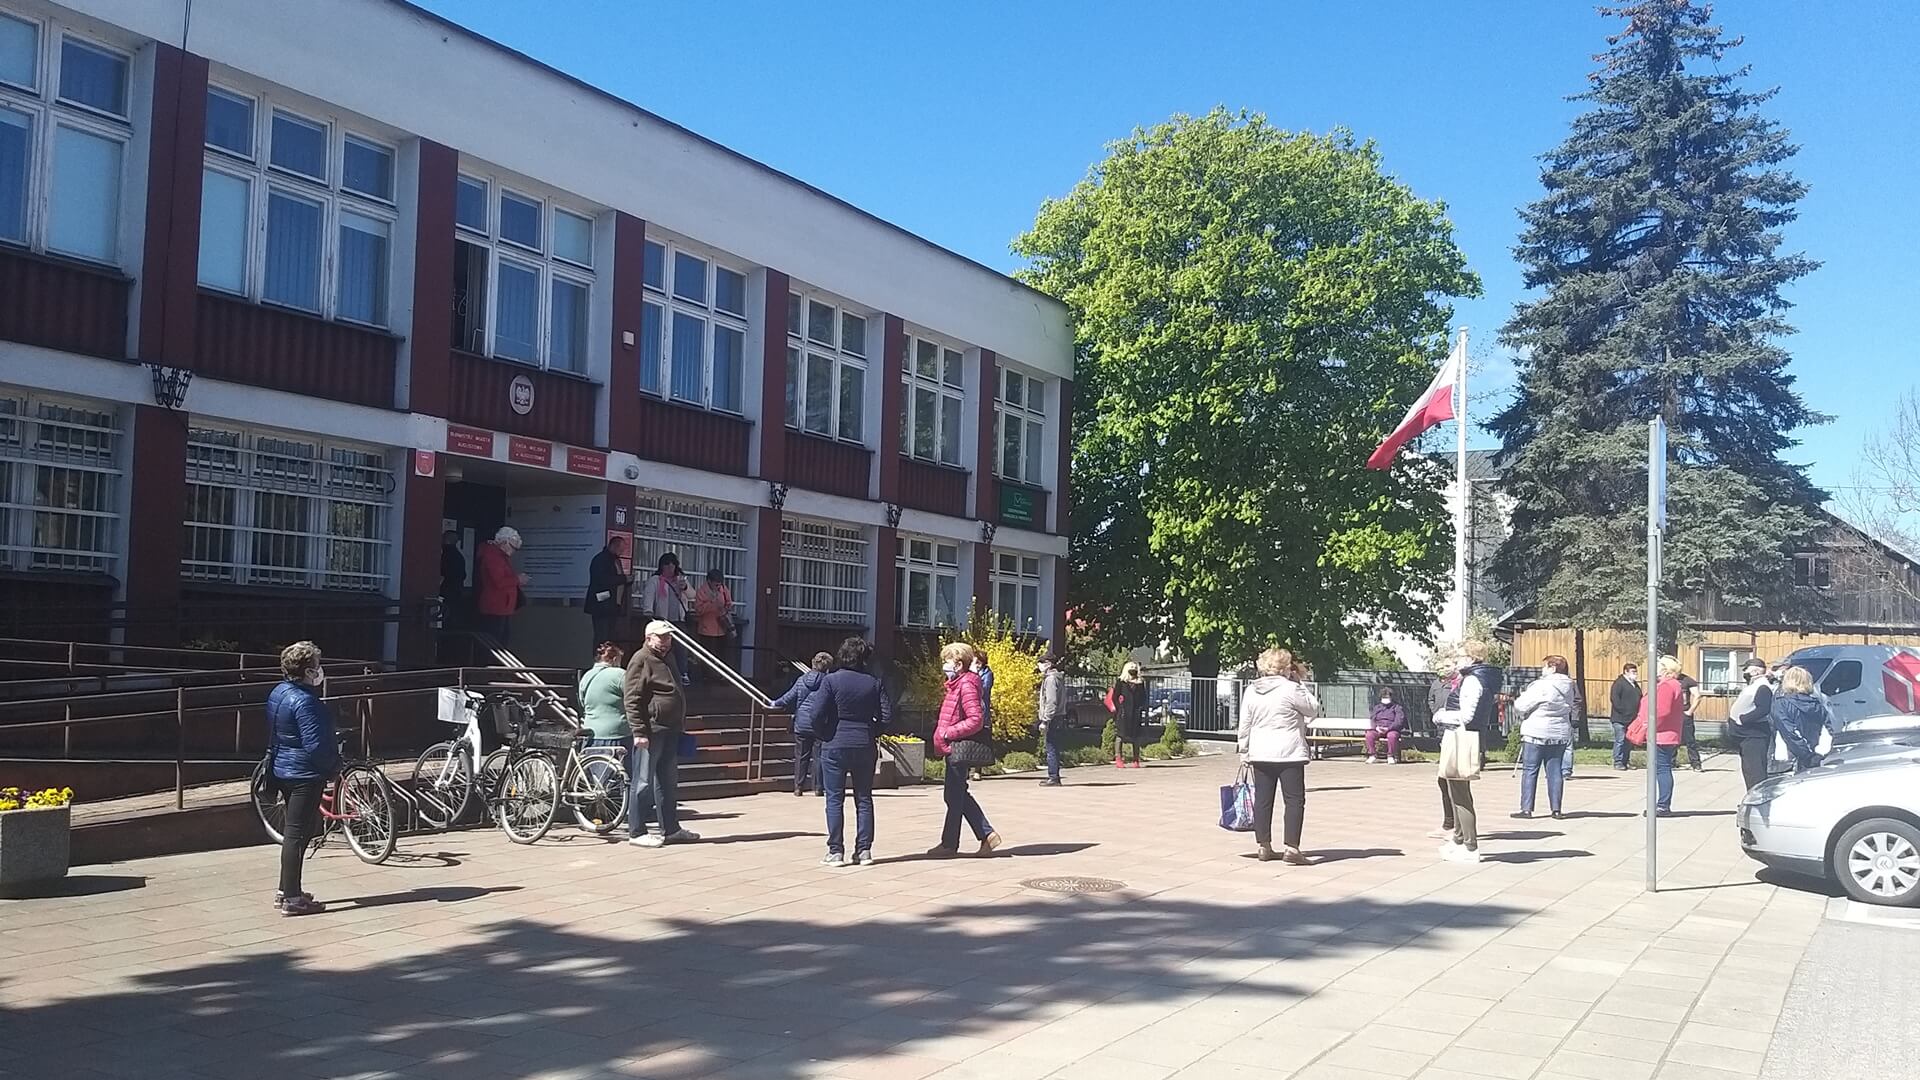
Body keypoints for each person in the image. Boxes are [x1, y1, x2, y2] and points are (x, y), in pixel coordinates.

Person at [266, 641, 337, 917]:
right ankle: (292, 898)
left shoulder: (279, 693)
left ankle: (287, 890)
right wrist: (333, 766)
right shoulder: (307, 702)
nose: (320, 671)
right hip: (304, 774)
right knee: (297, 834)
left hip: (282, 768)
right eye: (317, 666)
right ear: (308, 671)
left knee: (296, 832)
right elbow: (316, 745)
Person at [810, 637, 891, 866]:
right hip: (864, 742)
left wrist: (823, 733)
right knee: (864, 798)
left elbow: (815, 713)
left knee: (834, 799)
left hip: (835, 742)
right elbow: (886, 715)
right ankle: (864, 850)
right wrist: (873, 731)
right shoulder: (874, 683)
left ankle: (836, 851)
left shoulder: (831, 681)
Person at [1237, 647, 1320, 864]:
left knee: (1263, 800)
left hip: (1260, 751)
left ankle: (1263, 845)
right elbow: (1313, 709)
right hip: (1289, 752)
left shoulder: (1251, 690)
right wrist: (1300, 683)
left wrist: (1244, 750)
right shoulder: (1291, 689)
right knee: (1294, 800)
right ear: (1285, 668)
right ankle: (1292, 848)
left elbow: (1245, 723)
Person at [623, 620, 699, 848]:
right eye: (661, 637)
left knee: (667, 781)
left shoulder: (669, 658)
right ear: (649, 638)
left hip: (670, 729)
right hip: (652, 730)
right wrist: (639, 731)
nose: (666, 641)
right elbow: (632, 697)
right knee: (643, 781)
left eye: (668, 637)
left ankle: (671, 829)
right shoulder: (641, 659)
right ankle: (636, 831)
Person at [929, 642, 1002, 857]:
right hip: (952, 746)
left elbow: (975, 719)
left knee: (954, 795)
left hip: (957, 746)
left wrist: (948, 733)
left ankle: (953, 843)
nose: (944, 664)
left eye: (947, 660)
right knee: (956, 794)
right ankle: (984, 836)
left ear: (959, 664)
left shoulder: (967, 684)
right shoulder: (957, 683)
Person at [1433, 640, 1501, 864]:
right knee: (1455, 790)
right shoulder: (1471, 678)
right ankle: (1460, 839)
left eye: (1461, 655)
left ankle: (1471, 846)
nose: (1457, 659)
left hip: (1463, 736)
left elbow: (1468, 716)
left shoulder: (1473, 680)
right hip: (1459, 735)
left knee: (1461, 794)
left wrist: (1441, 716)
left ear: (1472, 658)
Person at [1511, 655, 1577, 820]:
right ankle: (1556, 809)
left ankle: (1526, 808)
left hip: (1536, 731)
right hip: (1559, 732)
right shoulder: (1570, 685)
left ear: (1553, 668)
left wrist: (1523, 711)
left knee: (1530, 770)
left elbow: (1520, 705)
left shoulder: (1541, 685)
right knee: (1555, 771)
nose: (1543, 670)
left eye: (1545, 666)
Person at [774, 652, 832, 796]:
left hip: (802, 723)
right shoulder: (829, 682)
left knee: (801, 756)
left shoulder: (801, 680)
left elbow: (788, 697)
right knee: (819, 756)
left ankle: (798, 787)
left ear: (813, 663)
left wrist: (775, 703)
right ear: (828, 667)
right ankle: (818, 788)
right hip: (820, 723)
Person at [1637, 655, 1688, 815]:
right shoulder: (1672, 684)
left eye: (1658, 665)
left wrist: (1649, 727)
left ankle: (1662, 805)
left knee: (1662, 769)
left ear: (1665, 669)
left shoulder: (1667, 685)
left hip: (1662, 733)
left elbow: (1662, 710)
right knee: (1662, 768)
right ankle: (1662, 804)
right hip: (1666, 733)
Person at [640, 554, 695, 685]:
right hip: (662, 619)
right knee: (661, 646)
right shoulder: (656, 580)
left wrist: (685, 588)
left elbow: (693, 595)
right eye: (667, 565)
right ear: (662, 566)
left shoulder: (681, 579)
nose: (670, 568)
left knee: (681, 647)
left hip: (679, 619)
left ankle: (683, 673)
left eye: (672, 565)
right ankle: (660, 673)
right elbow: (649, 595)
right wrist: (648, 611)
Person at [473, 526, 529, 645]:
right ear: (504, 542)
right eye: (513, 547)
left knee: (500, 640)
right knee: (496, 643)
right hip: (495, 606)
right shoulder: (493, 556)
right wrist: (517, 579)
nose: (513, 551)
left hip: (502, 606)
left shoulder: (499, 556)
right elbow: (498, 581)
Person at [1771, 665, 1831, 773]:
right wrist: (1817, 754)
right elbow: (1828, 729)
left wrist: (1807, 755)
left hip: (1790, 758)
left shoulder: (1781, 703)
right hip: (1816, 754)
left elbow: (1790, 732)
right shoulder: (1817, 703)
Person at [1728, 657, 1776, 791]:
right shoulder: (1755, 686)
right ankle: (1752, 797)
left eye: (1746, 669)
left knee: (1755, 772)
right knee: (1749, 771)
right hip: (1747, 736)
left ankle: (1758, 801)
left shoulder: (1762, 686)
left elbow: (1763, 709)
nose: (1744, 672)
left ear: (1755, 671)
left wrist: (1743, 719)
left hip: (1755, 736)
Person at [1426, 661, 1461, 840]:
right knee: (1444, 781)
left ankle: (1459, 830)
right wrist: (1437, 713)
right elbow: (1431, 699)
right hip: (1446, 732)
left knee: (1455, 784)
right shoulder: (1439, 683)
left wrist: (1443, 715)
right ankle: (1449, 824)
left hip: (1458, 735)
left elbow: (1468, 713)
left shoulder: (1465, 683)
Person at [577, 641, 630, 751]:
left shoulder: (586, 676)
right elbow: (633, 698)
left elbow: (582, 702)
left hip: (590, 733)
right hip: (616, 734)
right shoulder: (620, 674)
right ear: (615, 659)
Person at [585, 536, 629, 646]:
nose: (622, 552)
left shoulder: (615, 561)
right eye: (621, 549)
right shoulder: (601, 559)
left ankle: (607, 658)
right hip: (601, 604)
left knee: (610, 636)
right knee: (602, 636)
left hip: (612, 605)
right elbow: (603, 580)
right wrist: (624, 579)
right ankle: (600, 659)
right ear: (614, 546)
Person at [1037, 649, 1070, 786]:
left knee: (1051, 747)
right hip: (1059, 716)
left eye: (1041, 662)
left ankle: (1053, 777)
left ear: (1049, 664)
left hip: (1054, 718)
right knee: (1053, 746)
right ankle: (1053, 775)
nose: (1039, 666)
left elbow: (1051, 701)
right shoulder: (1056, 678)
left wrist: (1045, 720)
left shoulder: (1051, 680)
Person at [692, 567, 735, 670]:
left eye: (719, 583)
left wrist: (727, 607)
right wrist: (711, 603)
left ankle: (722, 675)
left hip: (722, 628)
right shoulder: (702, 591)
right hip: (707, 629)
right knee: (707, 655)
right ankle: (707, 676)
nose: (718, 586)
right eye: (716, 584)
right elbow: (698, 609)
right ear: (709, 581)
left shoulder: (723, 589)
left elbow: (729, 602)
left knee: (722, 655)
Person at [1110, 662, 1149, 768]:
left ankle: (1136, 759)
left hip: (1135, 713)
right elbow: (1114, 697)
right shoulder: (1121, 682)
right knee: (1120, 736)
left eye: (1134, 668)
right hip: (1123, 713)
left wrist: (1141, 708)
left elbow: (1143, 697)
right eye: (1131, 668)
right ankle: (1118, 758)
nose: (1133, 670)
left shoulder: (1140, 683)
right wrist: (1119, 708)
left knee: (1136, 737)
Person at [1609, 662, 1642, 771]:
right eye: (1633, 672)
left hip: (1632, 719)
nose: (1635, 674)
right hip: (1620, 718)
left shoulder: (1635, 684)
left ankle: (1625, 761)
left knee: (1628, 741)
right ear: (1626, 672)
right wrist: (1624, 711)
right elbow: (1615, 699)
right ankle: (1618, 761)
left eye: (1636, 671)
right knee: (1620, 739)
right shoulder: (1619, 683)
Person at [1365, 687, 1406, 764]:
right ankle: (1372, 755)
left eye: (1387, 697)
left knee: (1392, 736)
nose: (1385, 699)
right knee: (1369, 735)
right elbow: (1373, 719)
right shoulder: (1377, 708)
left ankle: (1391, 756)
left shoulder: (1397, 708)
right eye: (1384, 697)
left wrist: (1388, 728)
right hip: (1378, 729)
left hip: (1391, 729)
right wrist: (1376, 727)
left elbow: (1398, 721)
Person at [1677, 668, 1705, 772]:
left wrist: (1690, 711)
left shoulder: (1687, 680)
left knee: (1690, 740)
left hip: (1685, 714)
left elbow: (1697, 695)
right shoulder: (1665, 680)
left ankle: (1696, 763)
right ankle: (1670, 762)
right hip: (1672, 715)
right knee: (1672, 739)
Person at [439, 531, 466, 617]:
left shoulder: (446, 554)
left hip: (447, 589)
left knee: (446, 613)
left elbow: (443, 571)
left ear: (446, 540)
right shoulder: (459, 555)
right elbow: (463, 574)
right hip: (456, 589)